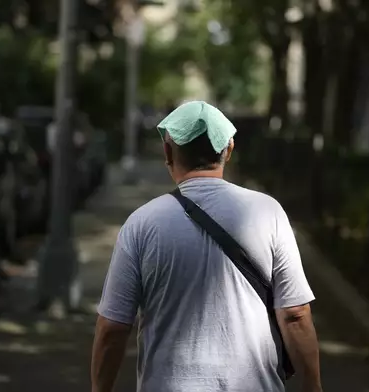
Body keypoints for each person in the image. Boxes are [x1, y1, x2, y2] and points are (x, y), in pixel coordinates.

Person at [91, 101, 322, 392]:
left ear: (167, 153)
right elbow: (294, 314)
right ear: (229, 150)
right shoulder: (268, 213)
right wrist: (313, 386)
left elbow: (112, 328)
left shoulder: (141, 224)